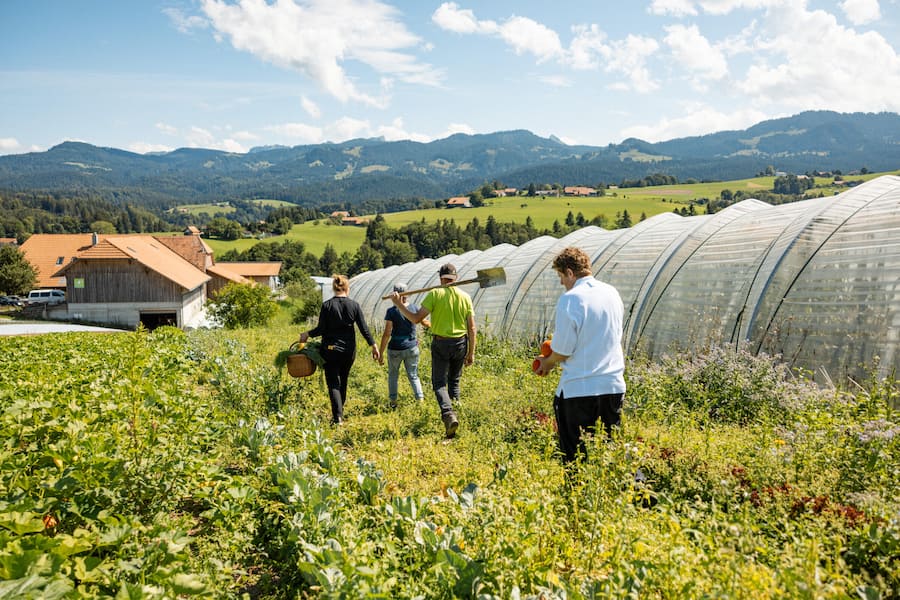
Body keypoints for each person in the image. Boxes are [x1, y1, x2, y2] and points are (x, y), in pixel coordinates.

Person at [534, 247, 626, 464]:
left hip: (579, 389)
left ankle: (576, 495)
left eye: (560, 276)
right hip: (612, 386)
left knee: (575, 457)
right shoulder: (612, 293)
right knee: (611, 452)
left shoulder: (571, 299)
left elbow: (564, 350)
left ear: (569, 272)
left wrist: (546, 362)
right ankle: (632, 493)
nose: (561, 283)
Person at [389, 263, 475, 438]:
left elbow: (415, 318)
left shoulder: (435, 294)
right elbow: (472, 328)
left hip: (441, 343)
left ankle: (449, 414)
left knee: (438, 383)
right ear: (455, 278)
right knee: (454, 380)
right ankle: (456, 415)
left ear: (440, 278)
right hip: (461, 343)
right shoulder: (465, 297)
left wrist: (398, 304)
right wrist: (471, 352)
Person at [299, 274, 380, 425]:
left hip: (330, 350)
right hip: (348, 351)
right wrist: (374, 346)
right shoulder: (354, 305)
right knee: (343, 380)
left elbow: (321, 329)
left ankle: (338, 418)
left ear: (334, 288)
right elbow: (364, 329)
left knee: (333, 383)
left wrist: (307, 334)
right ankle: (340, 412)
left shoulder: (327, 305)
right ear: (347, 288)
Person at [378, 283, 430, 407]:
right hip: (411, 347)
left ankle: (393, 401)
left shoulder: (391, 311)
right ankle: (420, 400)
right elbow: (425, 323)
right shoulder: (414, 309)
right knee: (413, 375)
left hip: (395, 349)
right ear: (408, 294)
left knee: (393, 375)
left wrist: (380, 352)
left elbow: (387, 333)